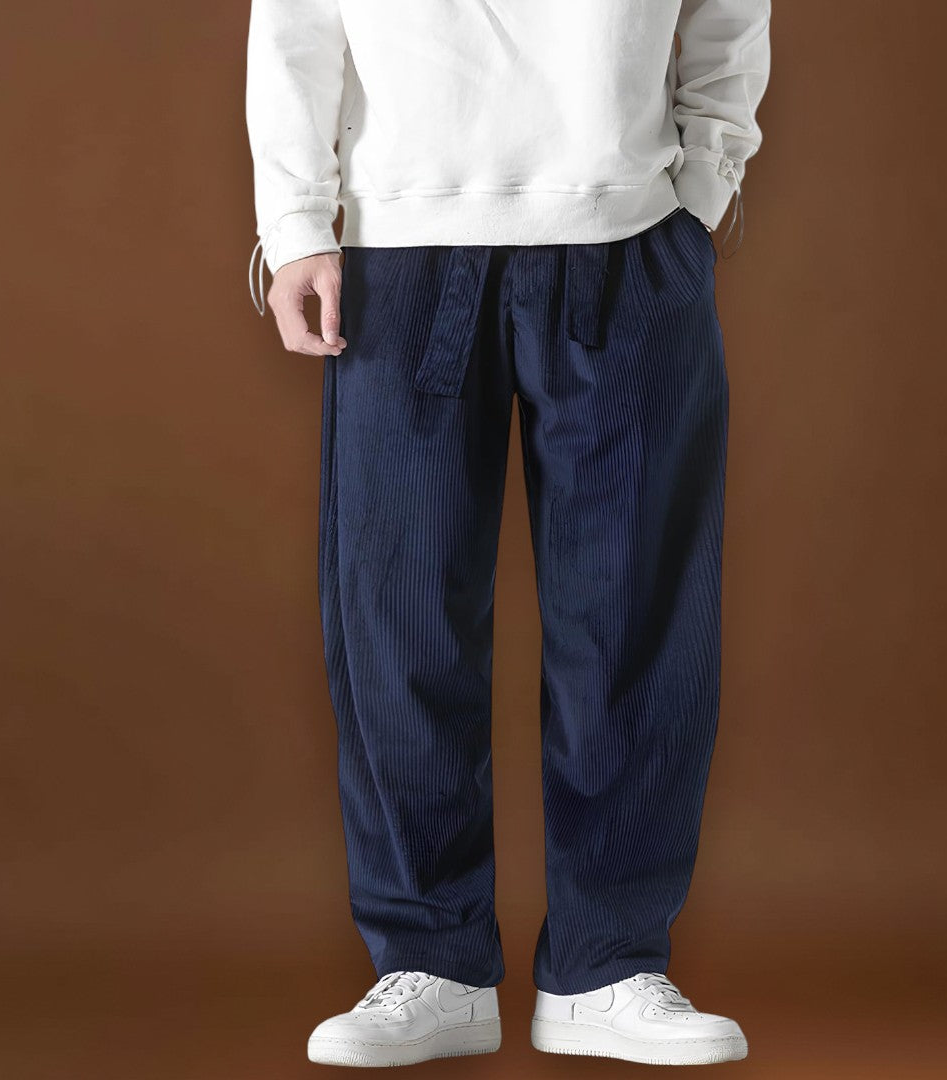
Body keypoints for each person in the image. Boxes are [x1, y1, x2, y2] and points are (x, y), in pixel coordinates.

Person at [245, 0, 771, 1067]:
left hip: (626, 228)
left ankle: (608, 964)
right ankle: (430, 960)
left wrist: (707, 178)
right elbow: (295, 17)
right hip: (401, 236)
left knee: (634, 618)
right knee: (400, 618)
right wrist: (296, 220)